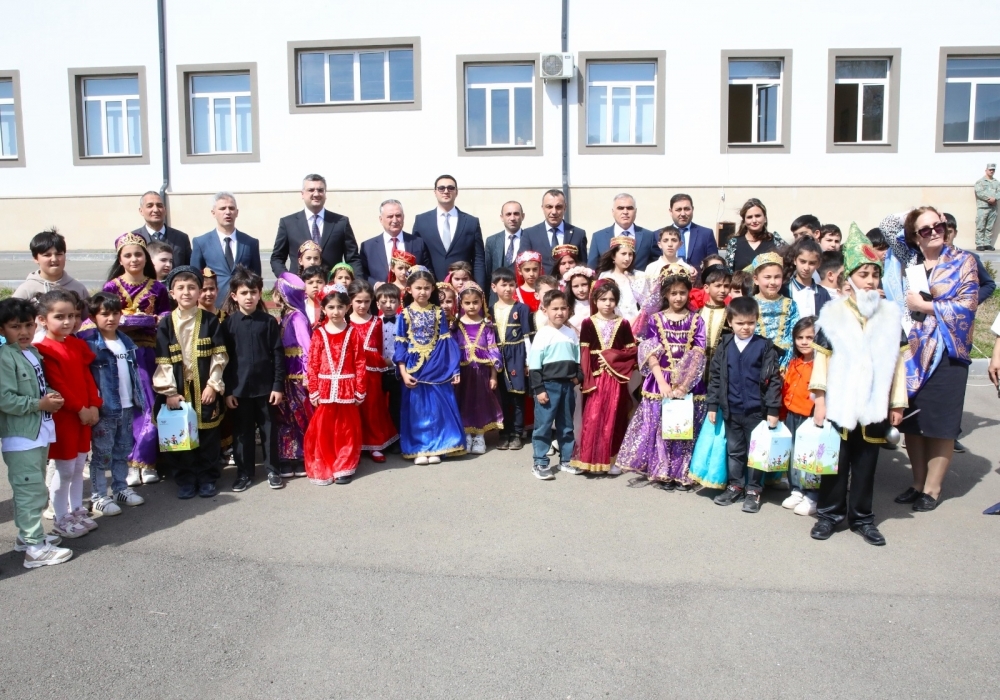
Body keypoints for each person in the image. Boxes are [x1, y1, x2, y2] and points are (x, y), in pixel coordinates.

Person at [809, 224, 908, 546]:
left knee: (866, 464)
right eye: (863, 274)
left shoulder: (890, 316)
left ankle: (862, 517)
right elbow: (821, 362)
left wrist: (897, 403)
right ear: (848, 278)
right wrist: (820, 401)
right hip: (840, 402)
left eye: (874, 275)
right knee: (835, 464)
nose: (870, 281)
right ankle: (829, 514)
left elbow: (898, 365)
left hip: (874, 404)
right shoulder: (832, 314)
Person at [897, 208, 979, 512]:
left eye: (939, 225)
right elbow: (889, 226)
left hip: (947, 351)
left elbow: (968, 305)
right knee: (913, 421)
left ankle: (932, 488)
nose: (934, 231)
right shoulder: (909, 262)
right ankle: (917, 482)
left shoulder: (963, 260)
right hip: (912, 352)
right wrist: (913, 214)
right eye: (925, 229)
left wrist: (926, 306)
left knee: (941, 423)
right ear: (914, 236)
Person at [90, 232, 170, 487]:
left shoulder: (157, 287)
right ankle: (129, 462)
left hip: (148, 352)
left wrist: (156, 318)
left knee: (149, 405)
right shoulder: (111, 287)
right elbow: (102, 316)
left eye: (138, 254)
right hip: (119, 353)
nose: (134, 259)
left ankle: (146, 461)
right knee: (127, 407)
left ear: (145, 257)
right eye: (128, 255)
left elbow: (166, 313)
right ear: (120, 259)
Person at [617, 266, 707, 489]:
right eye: (673, 293)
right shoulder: (655, 319)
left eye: (682, 293)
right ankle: (663, 470)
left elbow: (698, 353)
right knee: (661, 427)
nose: (678, 297)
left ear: (689, 293)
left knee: (684, 428)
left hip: (688, 383)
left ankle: (682, 471)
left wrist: (684, 385)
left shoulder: (697, 321)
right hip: (661, 382)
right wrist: (662, 382)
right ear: (665, 294)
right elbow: (650, 353)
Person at [0, 297, 73, 568]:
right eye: (15, 326)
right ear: (1, 329)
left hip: (38, 431)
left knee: (33, 488)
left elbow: (37, 386)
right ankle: (34, 548)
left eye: (28, 325)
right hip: (21, 436)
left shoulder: (30, 352)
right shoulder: (5, 357)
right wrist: (38, 404)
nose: (24, 332)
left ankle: (27, 537)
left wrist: (49, 395)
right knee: (29, 491)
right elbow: (5, 399)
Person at [153, 266, 228, 499]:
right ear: (172, 293)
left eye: (192, 287)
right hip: (178, 390)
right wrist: (169, 392)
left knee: (208, 436)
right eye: (181, 288)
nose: (186, 292)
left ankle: (207, 478)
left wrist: (213, 385)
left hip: (204, 388)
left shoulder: (210, 320)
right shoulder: (166, 324)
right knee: (180, 437)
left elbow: (219, 355)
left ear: (199, 292)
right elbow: (163, 360)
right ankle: (185, 479)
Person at [34, 289, 102, 538]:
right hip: (65, 417)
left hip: (84, 414)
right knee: (64, 469)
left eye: (72, 316)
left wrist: (94, 405)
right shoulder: (43, 349)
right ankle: (61, 517)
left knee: (77, 466)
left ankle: (76, 510)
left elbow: (87, 377)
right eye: (60, 317)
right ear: (42, 320)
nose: (68, 322)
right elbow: (57, 384)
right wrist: (80, 408)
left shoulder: (75, 344)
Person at [707, 296, 783, 512]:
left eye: (750, 322)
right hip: (732, 410)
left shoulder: (764, 346)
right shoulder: (724, 345)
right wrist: (713, 404)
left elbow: (774, 380)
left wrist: (773, 409)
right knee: (735, 451)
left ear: (757, 320)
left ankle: (754, 490)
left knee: (757, 453)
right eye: (740, 323)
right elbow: (715, 376)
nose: (745, 327)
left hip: (756, 412)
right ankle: (736, 485)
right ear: (730, 322)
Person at [393, 266, 466, 463]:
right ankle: (419, 448)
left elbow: (447, 343)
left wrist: (454, 369)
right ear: (409, 289)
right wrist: (403, 372)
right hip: (413, 368)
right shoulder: (404, 314)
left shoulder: (438, 313)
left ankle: (437, 446)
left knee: (437, 408)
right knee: (417, 409)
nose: (423, 292)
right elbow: (400, 345)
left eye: (426, 288)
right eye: (418, 288)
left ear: (432, 289)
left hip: (437, 366)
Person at [222, 267, 285, 492]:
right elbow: (225, 360)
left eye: (253, 292)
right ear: (234, 296)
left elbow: (277, 355)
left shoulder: (268, 322)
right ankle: (244, 473)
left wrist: (277, 386)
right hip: (239, 390)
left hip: (266, 389)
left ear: (259, 294)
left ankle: (273, 470)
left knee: (269, 430)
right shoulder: (228, 325)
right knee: (242, 433)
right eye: (244, 293)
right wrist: (228, 391)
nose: (249, 297)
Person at [85, 293, 146, 516]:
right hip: (105, 408)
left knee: (122, 450)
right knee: (102, 454)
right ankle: (99, 496)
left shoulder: (125, 341)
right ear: (93, 317)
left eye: (115, 313)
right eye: (104, 314)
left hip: (127, 405)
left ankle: (120, 488)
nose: (110, 318)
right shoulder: (90, 343)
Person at [570, 279, 637, 474]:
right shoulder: (588, 323)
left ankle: (612, 459)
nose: (607, 303)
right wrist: (586, 378)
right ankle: (589, 458)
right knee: (593, 417)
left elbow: (631, 351)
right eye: (603, 299)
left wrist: (612, 356)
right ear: (595, 300)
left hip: (615, 379)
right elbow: (585, 353)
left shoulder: (623, 323)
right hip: (596, 378)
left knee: (614, 417)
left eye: (612, 299)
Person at [305, 284, 366, 485]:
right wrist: (314, 390)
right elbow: (313, 364)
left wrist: (360, 389)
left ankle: (344, 465)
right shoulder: (319, 333)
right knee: (325, 428)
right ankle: (326, 462)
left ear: (347, 308)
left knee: (346, 429)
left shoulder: (353, 333)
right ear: (323, 309)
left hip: (347, 388)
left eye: (340, 307)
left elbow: (359, 362)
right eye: (331, 307)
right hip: (325, 389)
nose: (336, 311)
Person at [528, 290, 581, 480]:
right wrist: (539, 389)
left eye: (563, 308)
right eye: (555, 309)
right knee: (543, 425)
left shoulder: (571, 333)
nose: (560, 312)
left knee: (566, 425)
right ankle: (540, 462)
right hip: (548, 387)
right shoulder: (542, 334)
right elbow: (534, 366)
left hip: (567, 387)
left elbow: (577, 359)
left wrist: (578, 377)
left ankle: (566, 460)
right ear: (545, 310)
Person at [271, 173, 361, 276]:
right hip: (299, 284)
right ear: (302, 194)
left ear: (325, 193)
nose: (316, 194)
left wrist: (358, 283)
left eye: (320, 190)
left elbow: (353, 259)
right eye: (311, 190)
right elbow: (277, 258)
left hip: (331, 284)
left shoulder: (341, 222)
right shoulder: (288, 223)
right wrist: (288, 279)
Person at [348, 279, 398, 462]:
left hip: (372, 373)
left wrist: (384, 363)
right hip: (351, 372)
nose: (362, 305)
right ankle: (355, 444)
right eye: (358, 301)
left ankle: (375, 444)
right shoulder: (345, 321)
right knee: (354, 410)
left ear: (372, 302)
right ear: (350, 300)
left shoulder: (377, 322)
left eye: (366, 301)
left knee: (372, 408)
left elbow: (379, 348)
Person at [271, 273, 313, 479]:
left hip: (297, 376)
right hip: (286, 376)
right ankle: (287, 456)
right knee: (285, 416)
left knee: (300, 416)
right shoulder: (286, 316)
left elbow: (307, 347)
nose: (273, 296)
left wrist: (307, 374)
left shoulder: (297, 317)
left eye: (276, 292)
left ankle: (303, 455)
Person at [454, 283, 504, 454]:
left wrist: (494, 376)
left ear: (481, 302)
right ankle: (467, 434)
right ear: (461, 303)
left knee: (481, 403)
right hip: (463, 373)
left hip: (482, 373)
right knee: (463, 402)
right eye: (467, 303)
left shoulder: (487, 325)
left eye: (475, 302)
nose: (471, 306)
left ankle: (480, 436)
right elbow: (452, 350)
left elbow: (493, 349)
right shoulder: (456, 325)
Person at [411, 175, 486, 288]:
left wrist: (479, 288)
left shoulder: (471, 222)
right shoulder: (421, 221)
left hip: (463, 288)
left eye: (450, 188)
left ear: (456, 192)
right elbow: (417, 256)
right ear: (435, 192)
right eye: (441, 188)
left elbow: (478, 259)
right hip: (430, 287)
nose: (446, 191)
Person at [191, 192, 263, 309]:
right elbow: (195, 278)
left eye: (231, 208)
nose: (228, 212)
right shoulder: (201, 242)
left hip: (243, 307)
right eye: (222, 208)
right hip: (213, 306)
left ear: (237, 212)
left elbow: (256, 277)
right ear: (213, 213)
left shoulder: (250, 242)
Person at [779, 316, 820, 516]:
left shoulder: (822, 365)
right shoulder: (794, 362)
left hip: (811, 417)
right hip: (792, 414)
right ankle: (796, 489)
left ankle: (812, 495)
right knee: (793, 453)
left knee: (810, 456)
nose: (804, 342)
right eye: (799, 337)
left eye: (809, 337)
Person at [490, 267, 532, 451]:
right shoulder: (489, 310)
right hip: (498, 356)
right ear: (494, 287)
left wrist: (527, 362)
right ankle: (504, 433)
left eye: (511, 285)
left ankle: (516, 433)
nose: (508, 288)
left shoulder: (522, 308)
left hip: (517, 355)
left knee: (517, 396)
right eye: (503, 285)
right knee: (502, 397)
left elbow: (527, 337)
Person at [359, 199, 431, 288]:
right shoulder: (368, 247)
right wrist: (376, 285)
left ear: (403, 217)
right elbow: (362, 274)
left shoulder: (418, 242)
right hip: (381, 295)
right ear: (381, 219)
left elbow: (428, 271)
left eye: (398, 215)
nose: (395, 220)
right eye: (390, 216)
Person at [752, 251, 800, 371]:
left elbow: (794, 336)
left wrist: (785, 364)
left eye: (777, 277)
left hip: (784, 365)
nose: (772, 282)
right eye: (767, 277)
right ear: (756, 279)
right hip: (755, 364)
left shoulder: (790, 305)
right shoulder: (749, 305)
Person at [12, 230, 90, 302]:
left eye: (59, 254)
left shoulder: (79, 289)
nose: (54, 259)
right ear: (35, 258)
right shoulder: (26, 290)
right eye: (47, 255)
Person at [521, 189, 588, 274]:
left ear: (565, 208)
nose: (554, 212)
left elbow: (583, 266)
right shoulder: (530, 234)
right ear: (542, 208)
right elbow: (523, 264)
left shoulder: (578, 234)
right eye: (549, 207)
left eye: (558, 207)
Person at [589, 193, 657, 271]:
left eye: (629, 208)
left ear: (635, 211)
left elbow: (655, 266)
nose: (625, 212)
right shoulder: (598, 237)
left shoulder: (649, 236)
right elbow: (592, 269)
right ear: (613, 212)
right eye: (620, 208)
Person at [723, 198, 788, 272]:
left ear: (765, 218)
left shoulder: (775, 241)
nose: (754, 220)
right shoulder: (734, 243)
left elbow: (790, 264)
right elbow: (728, 272)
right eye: (749, 217)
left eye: (757, 216)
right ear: (744, 221)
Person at [943, 212, 996, 303]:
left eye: (949, 232)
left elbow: (989, 284)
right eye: (942, 232)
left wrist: (970, 302)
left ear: (955, 233)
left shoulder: (969, 258)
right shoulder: (927, 258)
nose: (946, 236)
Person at [133, 191, 192, 267]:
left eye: (159, 205)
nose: (156, 210)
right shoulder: (134, 238)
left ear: (165, 210)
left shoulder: (181, 238)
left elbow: (188, 268)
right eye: (150, 206)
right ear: (141, 211)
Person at [485, 201, 527, 304]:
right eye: (508, 214)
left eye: (516, 214)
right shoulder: (492, 241)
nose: (512, 218)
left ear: (523, 216)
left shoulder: (529, 238)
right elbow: (487, 273)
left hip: (523, 300)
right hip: (496, 300)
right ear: (502, 217)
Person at [597, 236, 646, 323]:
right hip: (611, 322)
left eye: (630, 254)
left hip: (635, 322)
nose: (627, 258)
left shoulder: (639, 276)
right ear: (613, 256)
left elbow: (646, 304)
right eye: (623, 254)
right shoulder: (605, 275)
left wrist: (634, 322)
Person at [375, 284, 403, 434]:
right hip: (380, 371)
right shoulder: (375, 322)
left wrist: (392, 360)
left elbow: (406, 346)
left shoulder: (403, 322)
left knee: (396, 405)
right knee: (379, 406)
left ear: (399, 302)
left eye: (392, 301)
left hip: (398, 371)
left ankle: (398, 435)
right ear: (377, 304)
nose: (388, 305)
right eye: (384, 302)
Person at [781, 236, 830, 318]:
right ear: (795, 260)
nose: (806, 268)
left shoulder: (823, 293)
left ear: (818, 264)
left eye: (812, 263)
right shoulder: (785, 290)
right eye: (802, 261)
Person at [668, 193, 719, 269]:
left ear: (692, 209)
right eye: (678, 210)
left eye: (686, 209)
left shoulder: (706, 234)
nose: (683, 214)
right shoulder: (658, 235)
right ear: (670, 211)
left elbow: (714, 264)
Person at [699, 264, 731, 376]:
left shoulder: (731, 315)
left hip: (721, 368)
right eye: (718, 286)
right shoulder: (697, 314)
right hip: (698, 368)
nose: (723, 290)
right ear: (706, 288)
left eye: (726, 286)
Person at [563, 266, 595, 336]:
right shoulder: (568, 306)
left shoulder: (597, 304)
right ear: (570, 288)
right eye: (576, 286)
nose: (580, 290)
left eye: (584, 285)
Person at [974, 163, 999, 251]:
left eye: (993, 170)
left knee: (990, 227)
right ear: (986, 170)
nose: (992, 171)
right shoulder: (980, 182)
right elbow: (979, 192)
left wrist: (995, 198)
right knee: (980, 226)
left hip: (993, 208)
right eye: (990, 170)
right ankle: (979, 244)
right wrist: (989, 199)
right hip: (983, 207)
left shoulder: (996, 182)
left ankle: (987, 243)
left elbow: (999, 192)